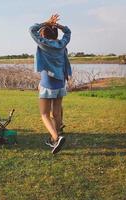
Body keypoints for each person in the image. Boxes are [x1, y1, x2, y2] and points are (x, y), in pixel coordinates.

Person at [29, 14, 72, 154]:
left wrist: (46, 22)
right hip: (60, 83)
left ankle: (56, 137)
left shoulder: (43, 43)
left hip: (47, 83)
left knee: (44, 115)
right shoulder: (62, 44)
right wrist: (57, 25)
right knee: (57, 112)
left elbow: (31, 29)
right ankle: (56, 136)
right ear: (55, 33)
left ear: (43, 34)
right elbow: (68, 32)